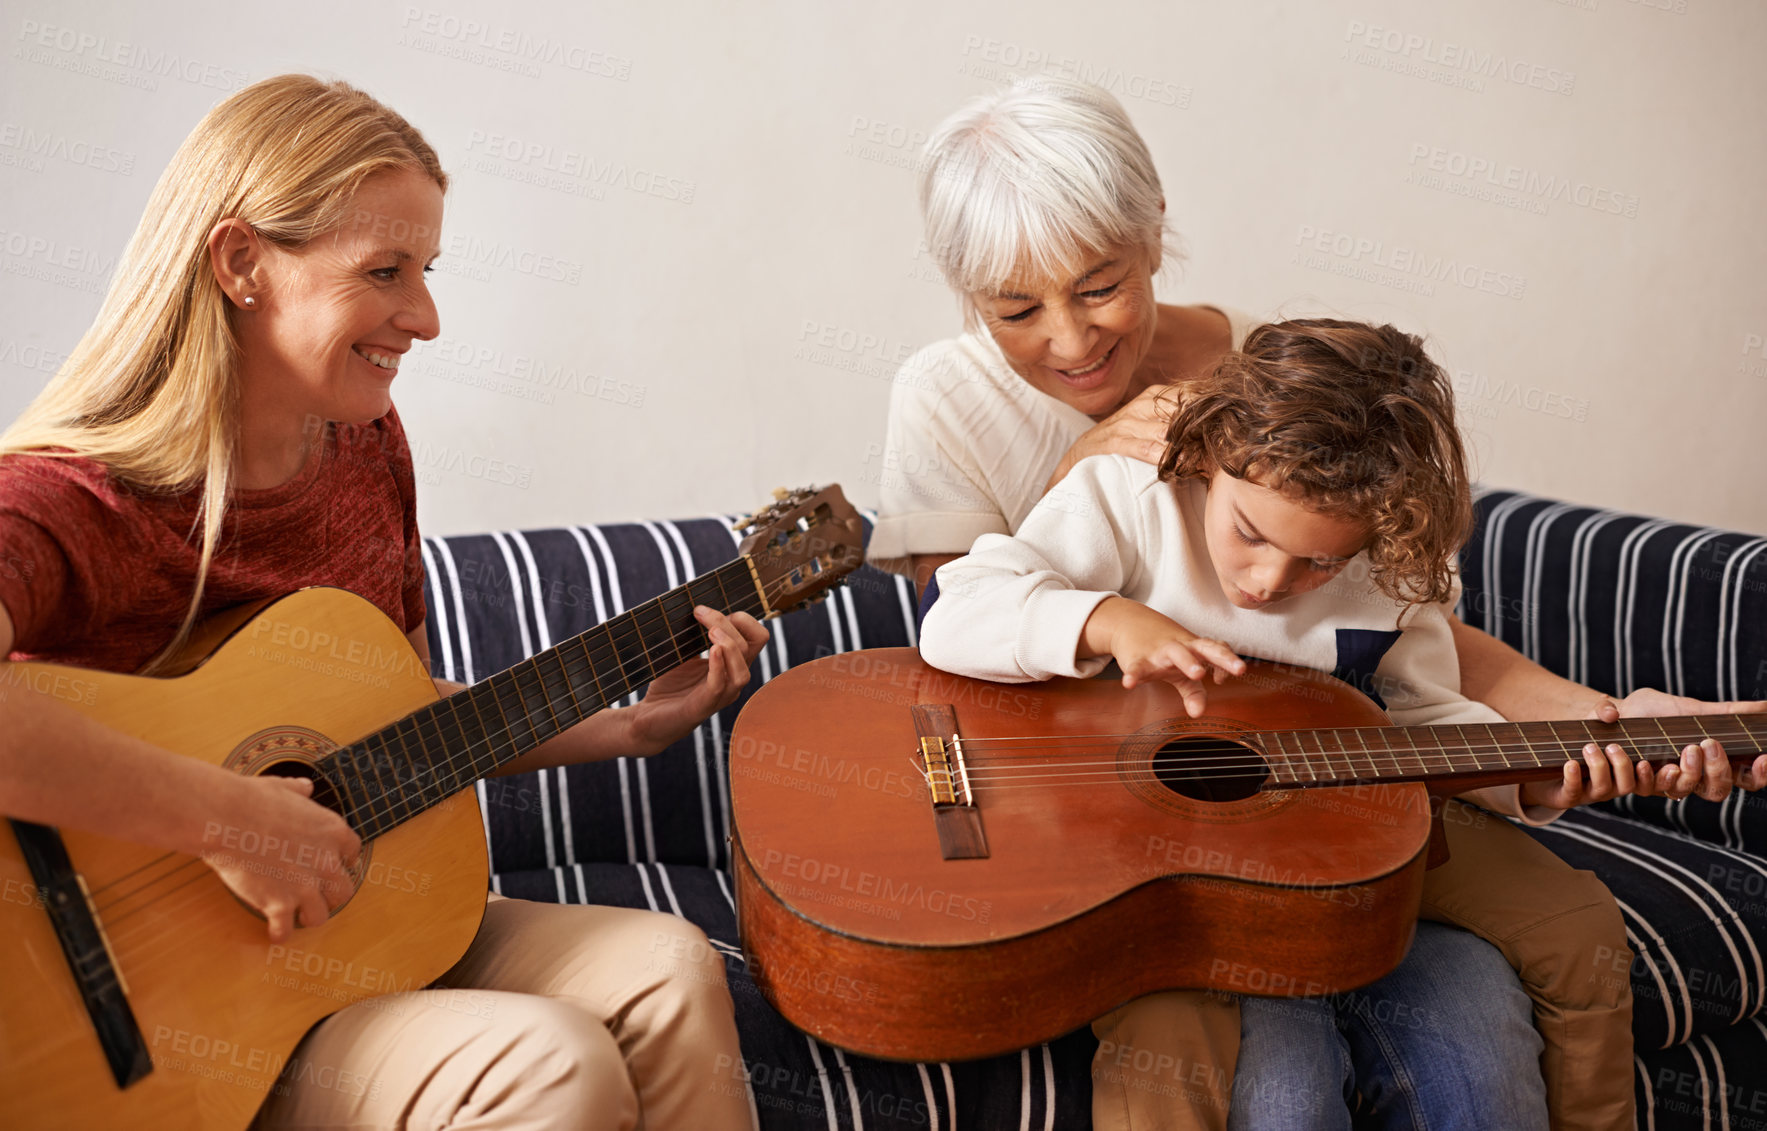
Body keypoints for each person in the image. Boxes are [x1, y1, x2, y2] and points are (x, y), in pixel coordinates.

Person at [874, 77, 1760, 1131]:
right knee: (1267, 1072)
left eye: (1101, 285)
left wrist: (1598, 726)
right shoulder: (986, 420)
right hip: (1096, 830)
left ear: (1154, 234)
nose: (1069, 341)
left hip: (1324, 819)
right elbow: (955, 638)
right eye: (1017, 310)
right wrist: (1103, 560)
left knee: (1485, 1035)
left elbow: (1401, 673)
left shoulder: (1292, 396)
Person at [0, 75, 763, 1129]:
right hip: (144, 1030)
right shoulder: (75, 498)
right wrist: (226, 819)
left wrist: (625, 725)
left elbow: (387, 721)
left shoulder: (363, 449)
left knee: (668, 968)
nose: (428, 317)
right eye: (385, 271)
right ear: (240, 263)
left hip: (338, 938)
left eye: (429, 270)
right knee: (547, 1063)